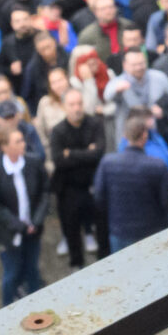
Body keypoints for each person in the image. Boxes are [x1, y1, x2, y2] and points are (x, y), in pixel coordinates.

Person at [0, 126, 49, 302]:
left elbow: (44, 192)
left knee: (33, 269)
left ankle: (37, 304)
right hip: (10, 234)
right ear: (4, 147)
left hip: (33, 230)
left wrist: (36, 221)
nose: (23, 144)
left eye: (22, 140)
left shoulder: (33, 163)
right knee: (12, 274)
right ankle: (8, 308)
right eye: (18, 141)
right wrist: (19, 226)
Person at [88, 114, 168, 250]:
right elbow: (166, 202)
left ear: (124, 135)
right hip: (152, 232)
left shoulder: (108, 163)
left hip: (119, 231)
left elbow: (99, 197)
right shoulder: (157, 166)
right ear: (145, 136)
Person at [46, 91, 107, 268]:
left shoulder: (95, 123)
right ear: (65, 107)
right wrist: (87, 152)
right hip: (69, 187)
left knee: (102, 227)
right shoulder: (58, 131)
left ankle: (105, 260)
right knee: (71, 229)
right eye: (72, 105)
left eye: (79, 104)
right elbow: (58, 160)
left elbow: (98, 153)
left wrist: (70, 153)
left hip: (93, 184)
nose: (77, 108)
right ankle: (76, 263)